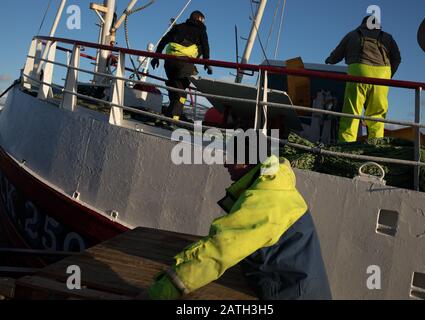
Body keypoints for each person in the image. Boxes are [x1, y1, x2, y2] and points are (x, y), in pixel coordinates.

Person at [147, 137, 331, 300]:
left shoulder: (267, 198)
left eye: (231, 158)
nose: (226, 164)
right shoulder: (275, 185)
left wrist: (160, 292)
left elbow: (219, 250)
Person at [325, 15, 401, 142]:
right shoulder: (388, 37)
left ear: (362, 24)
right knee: (377, 116)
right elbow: (397, 59)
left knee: (351, 113)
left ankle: (345, 149)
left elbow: (337, 54)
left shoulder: (352, 35)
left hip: (358, 73)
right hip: (382, 77)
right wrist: (388, 77)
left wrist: (329, 60)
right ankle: (375, 150)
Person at [151, 10, 212, 121]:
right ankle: (173, 119)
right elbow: (205, 46)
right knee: (181, 94)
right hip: (185, 65)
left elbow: (164, 40)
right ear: (198, 19)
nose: (204, 23)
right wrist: (206, 63)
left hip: (169, 63)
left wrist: (156, 57)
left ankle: (174, 114)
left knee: (176, 89)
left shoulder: (178, 27)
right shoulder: (201, 30)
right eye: (203, 20)